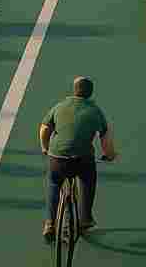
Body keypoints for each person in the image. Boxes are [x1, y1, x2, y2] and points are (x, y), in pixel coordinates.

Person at [39, 76, 116, 242]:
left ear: (74, 90)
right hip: (82, 160)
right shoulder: (95, 111)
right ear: (90, 93)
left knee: (54, 182)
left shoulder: (59, 106)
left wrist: (45, 147)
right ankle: (85, 219)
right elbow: (105, 139)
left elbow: (44, 128)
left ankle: (50, 223)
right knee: (88, 180)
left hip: (57, 158)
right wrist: (109, 155)